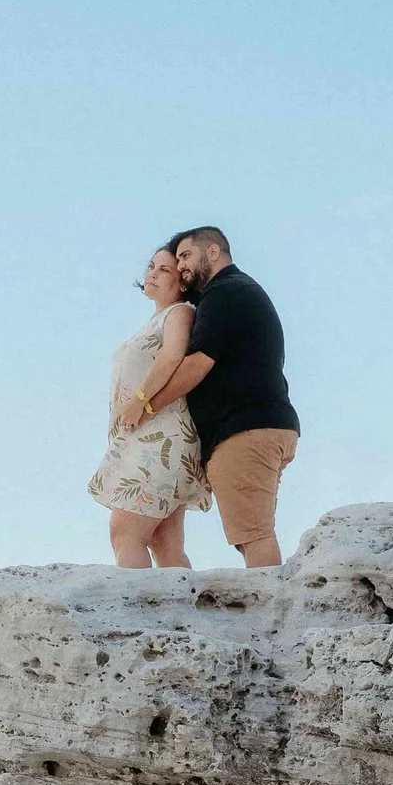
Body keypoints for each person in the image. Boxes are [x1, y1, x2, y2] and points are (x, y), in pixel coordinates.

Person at [139, 226, 299, 567]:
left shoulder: (225, 292)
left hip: (244, 430)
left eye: (185, 256)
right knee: (250, 532)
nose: (181, 265)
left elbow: (196, 364)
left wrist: (147, 404)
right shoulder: (236, 291)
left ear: (213, 252)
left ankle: (271, 615)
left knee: (253, 534)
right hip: (260, 426)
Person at [88, 244, 209, 567]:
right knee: (164, 540)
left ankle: (134, 613)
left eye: (164, 270)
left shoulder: (179, 312)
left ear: (183, 282)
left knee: (125, 530)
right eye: (151, 267)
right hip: (148, 435)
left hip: (162, 436)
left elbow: (172, 356)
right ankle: (180, 614)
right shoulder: (155, 319)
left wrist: (140, 400)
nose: (153, 274)